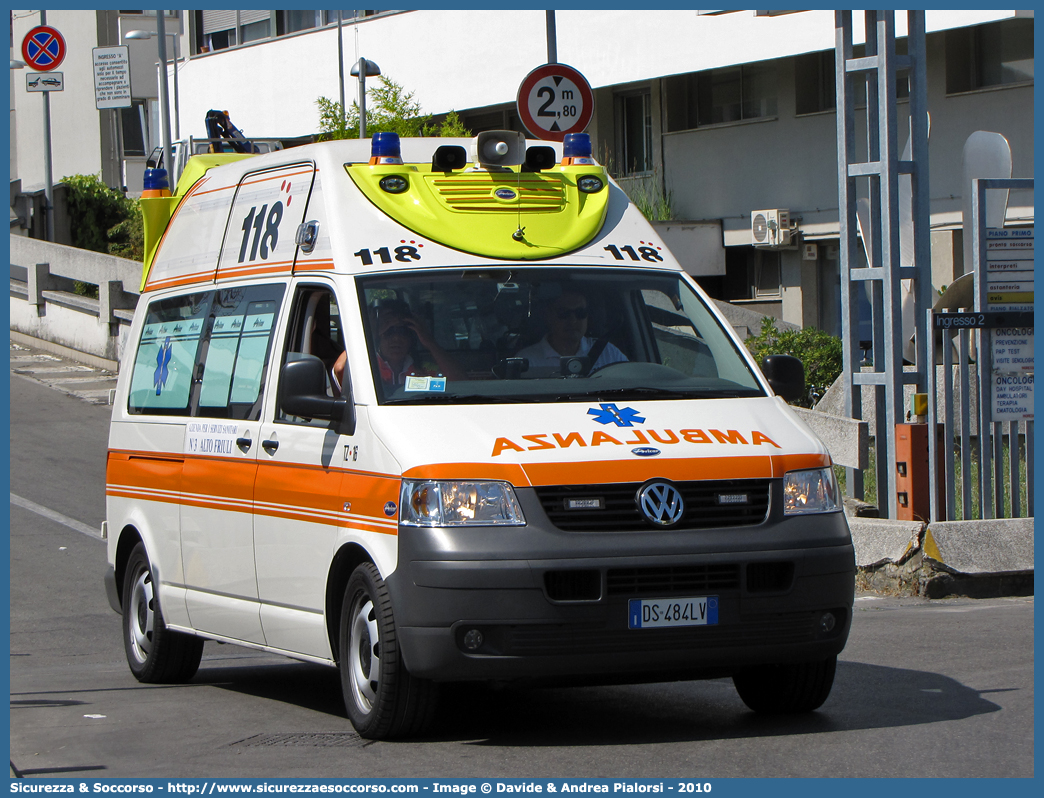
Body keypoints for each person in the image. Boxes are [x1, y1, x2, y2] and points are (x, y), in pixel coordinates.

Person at [332, 299, 464, 392]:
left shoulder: (425, 369)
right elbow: (340, 369)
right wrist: (367, 334)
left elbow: (460, 382)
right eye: (388, 331)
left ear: (412, 335)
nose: (396, 338)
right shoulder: (364, 366)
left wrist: (429, 341)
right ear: (377, 335)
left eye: (403, 331)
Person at [515, 290, 626, 372]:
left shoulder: (608, 353)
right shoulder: (527, 360)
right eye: (564, 313)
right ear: (548, 317)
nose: (573, 321)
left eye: (580, 313)